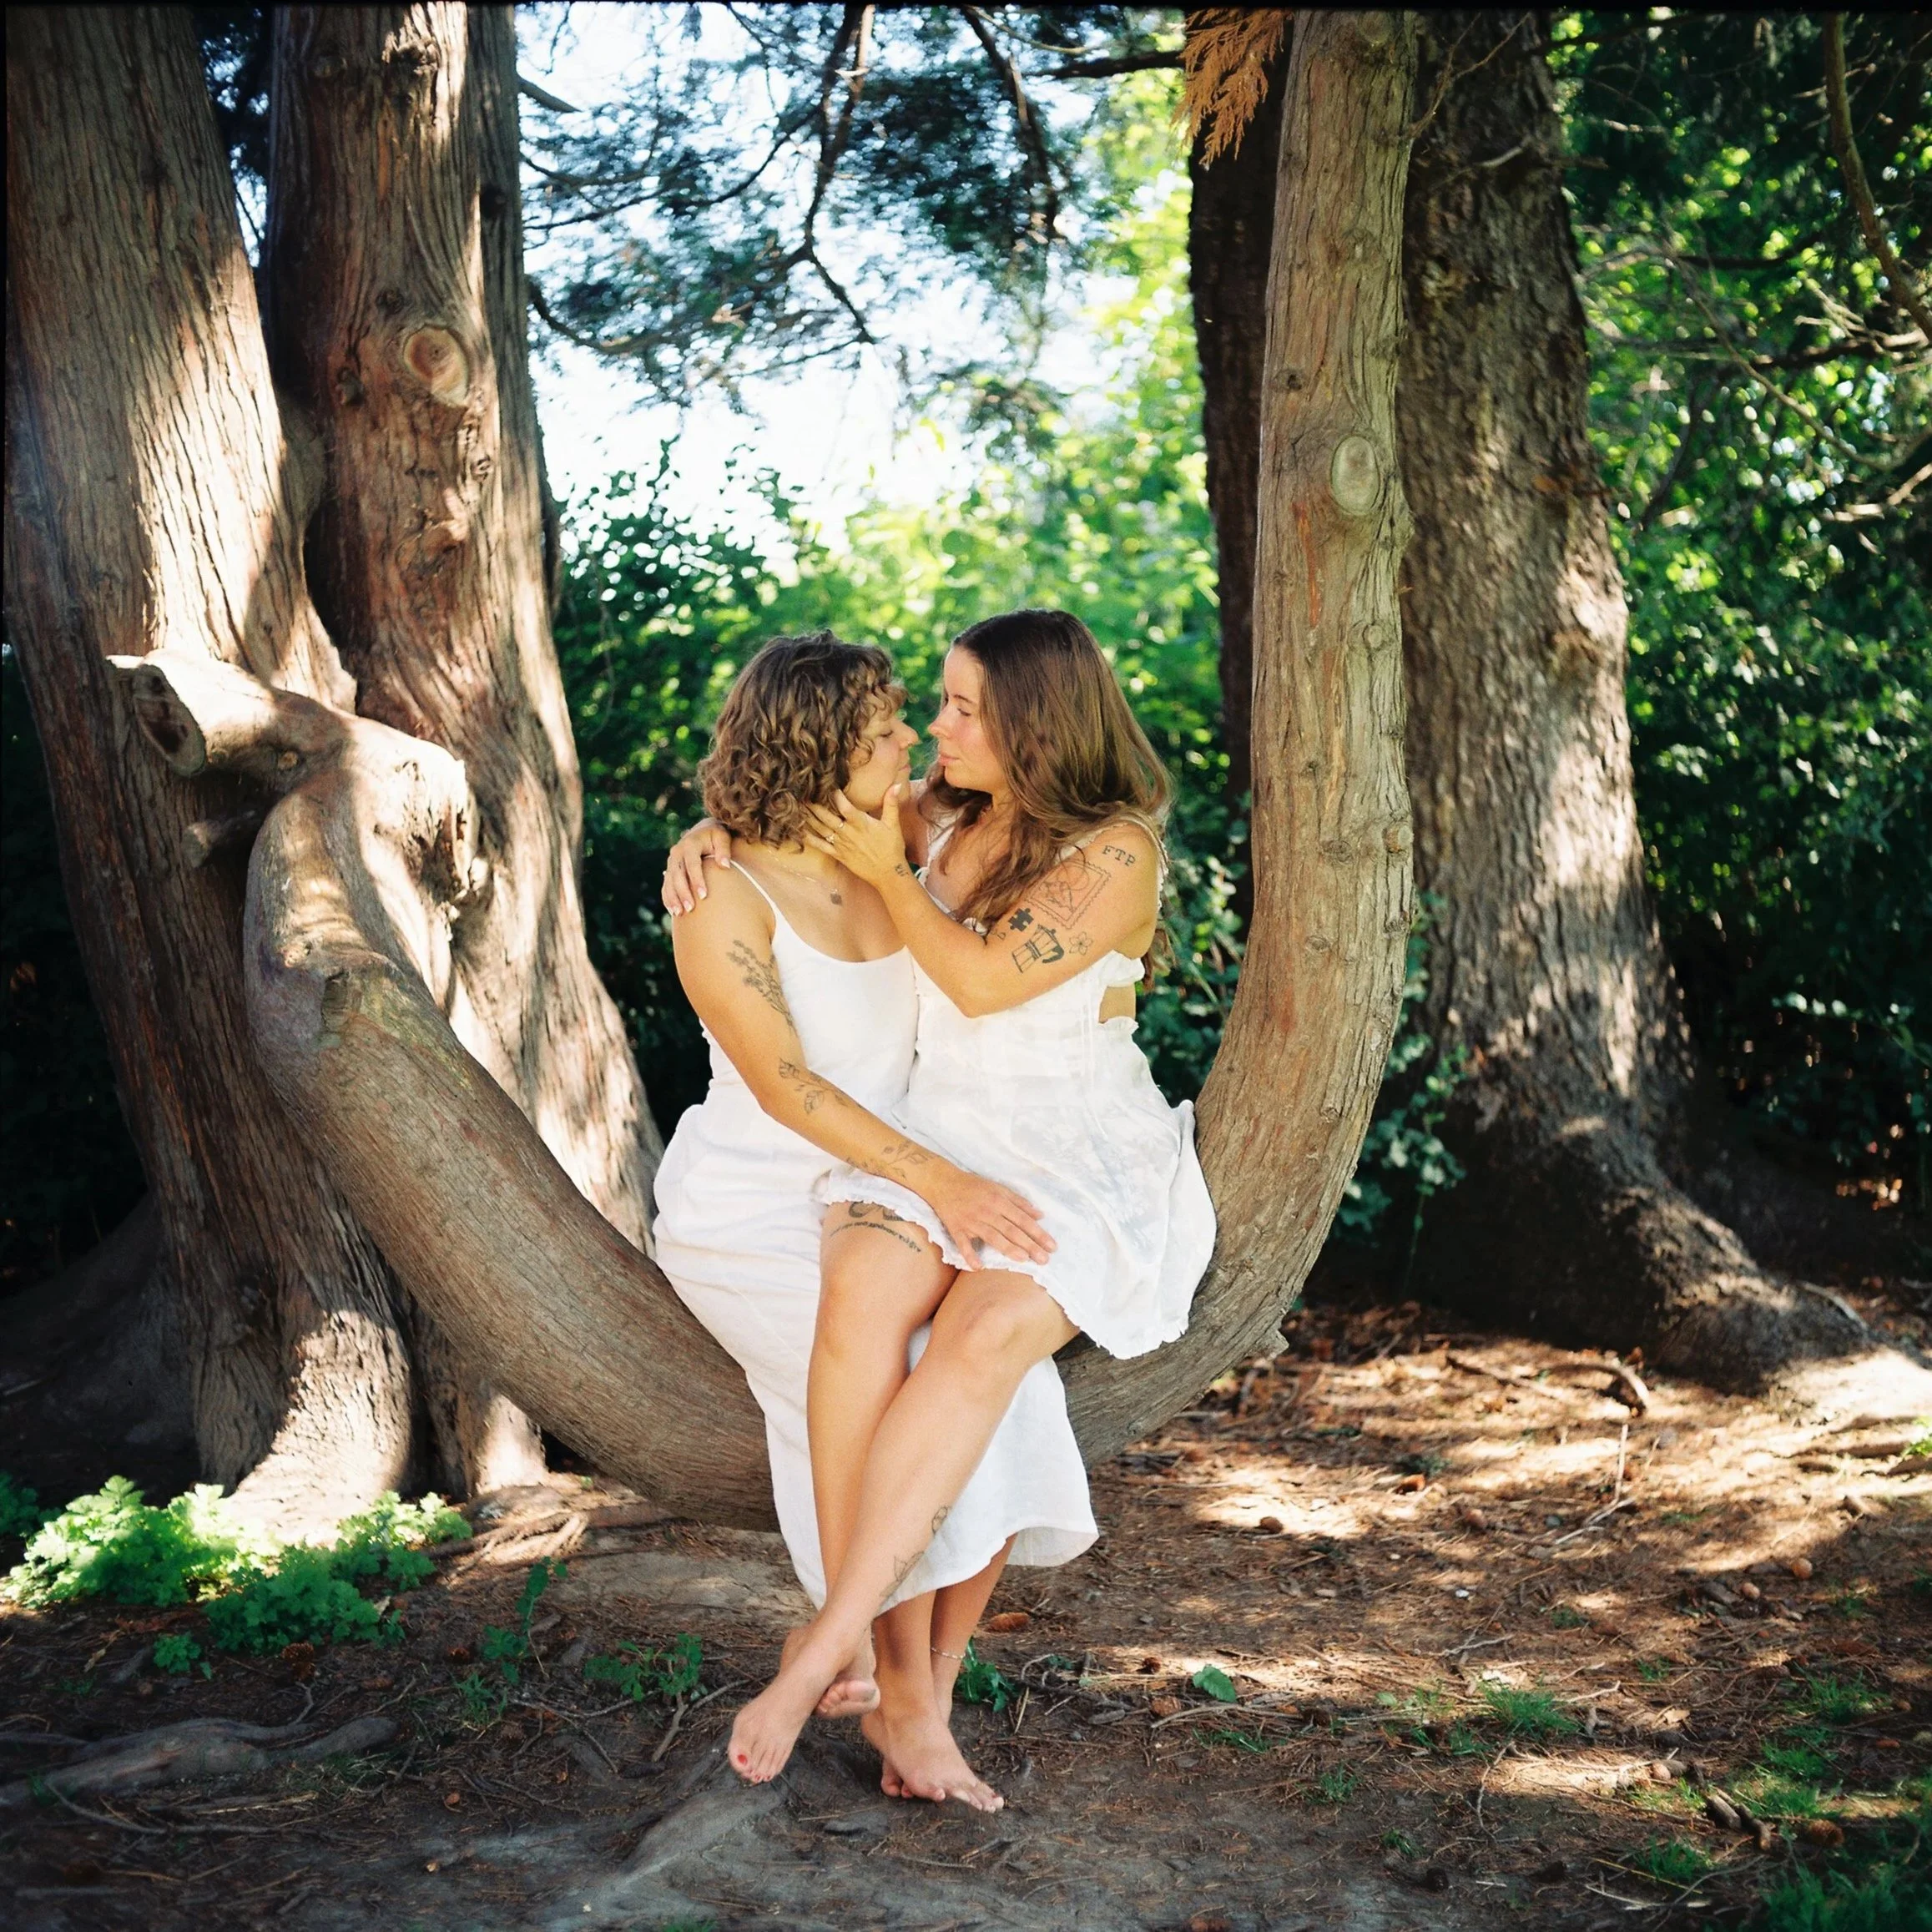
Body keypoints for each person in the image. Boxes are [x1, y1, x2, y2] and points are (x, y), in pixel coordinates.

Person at [719, 608, 1216, 1793]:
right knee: (859, 1303)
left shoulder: (1113, 851)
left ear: (1033, 727)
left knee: (988, 1333)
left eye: (958, 707)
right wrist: (706, 835)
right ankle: (895, 1685)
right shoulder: (939, 815)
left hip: (1075, 1146)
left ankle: (830, 1651)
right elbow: (782, 809)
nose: (934, 728)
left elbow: (988, 983)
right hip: (937, 1129)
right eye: (935, 704)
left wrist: (891, 874)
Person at [653, 631, 1096, 1810]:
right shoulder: (722, 898)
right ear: (819, 751)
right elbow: (789, 1086)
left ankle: (921, 1690)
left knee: (1007, 1379)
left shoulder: (894, 832)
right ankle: (886, 1687)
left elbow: (1039, 784)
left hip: (890, 1195)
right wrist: (704, 836)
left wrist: (939, 1185)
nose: (910, 740)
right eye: (885, 728)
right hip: (755, 1204)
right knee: (891, 1370)